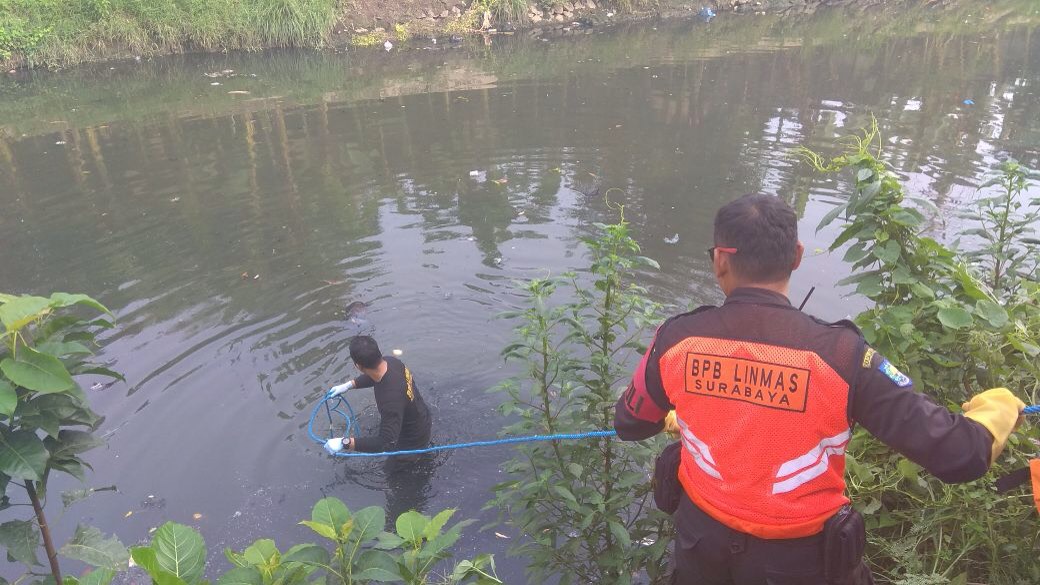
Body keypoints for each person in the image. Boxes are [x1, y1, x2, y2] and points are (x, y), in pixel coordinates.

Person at [613, 193, 1026, 585]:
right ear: (796, 257)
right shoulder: (843, 356)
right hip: (800, 561)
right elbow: (960, 454)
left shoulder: (676, 340)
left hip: (699, 546)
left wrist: (684, 414)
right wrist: (999, 409)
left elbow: (631, 423)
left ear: (720, 261)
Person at [324, 336, 432, 456]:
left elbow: (385, 443)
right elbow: (373, 376)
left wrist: (345, 443)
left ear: (358, 366)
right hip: (421, 415)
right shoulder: (391, 362)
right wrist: (348, 385)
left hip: (413, 442)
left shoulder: (390, 401)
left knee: (393, 471)